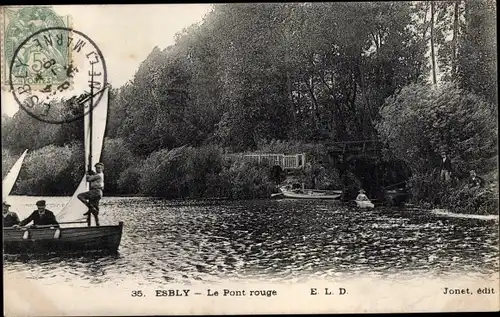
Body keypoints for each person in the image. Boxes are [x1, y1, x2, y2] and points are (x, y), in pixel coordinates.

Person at [77, 162, 104, 227]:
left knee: (80, 196)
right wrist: (92, 173)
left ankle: (90, 208)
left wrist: (87, 174)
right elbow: (94, 175)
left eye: (99, 168)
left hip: (95, 191)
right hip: (98, 193)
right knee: (95, 211)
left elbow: (88, 179)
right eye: (97, 168)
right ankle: (98, 225)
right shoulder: (100, 174)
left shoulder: (99, 175)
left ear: (102, 168)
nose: (98, 169)